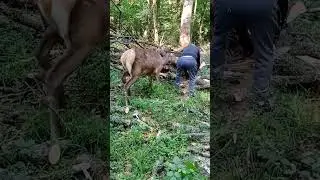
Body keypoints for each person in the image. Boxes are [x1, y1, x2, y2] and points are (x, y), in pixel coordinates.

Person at [211, 0, 280, 111]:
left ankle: (215, 85)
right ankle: (260, 100)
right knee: (265, 52)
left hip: (228, 5)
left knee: (219, 42)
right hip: (261, 5)